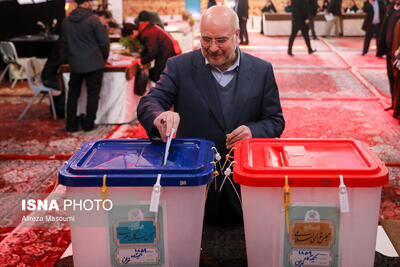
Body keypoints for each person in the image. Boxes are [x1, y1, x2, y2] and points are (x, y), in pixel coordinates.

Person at [137, 5, 285, 224]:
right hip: (195, 182)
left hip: (244, 184)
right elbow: (150, 101)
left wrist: (254, 131)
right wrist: (160, 116)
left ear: (236, 35)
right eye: (206, 39)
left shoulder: (262, 70)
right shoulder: (180, 67)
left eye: (221, 40)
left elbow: (275, 120)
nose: (213, 48)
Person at [60, 0, 110, 132]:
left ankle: (71, 126)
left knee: (72, 95)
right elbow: (104, 42)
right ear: (86, 3)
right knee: (93, 94)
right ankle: (88, 125)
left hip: (75, 64)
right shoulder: (93, 19)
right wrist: (103, 59)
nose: (92, 4)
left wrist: (69, 59)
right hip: (94, 64)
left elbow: (63, 45)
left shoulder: (66, 21)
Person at [132, 10, 176, 83]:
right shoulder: (152, 27)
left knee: (159, 78)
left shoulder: (148, 32)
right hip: (168, 56)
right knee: (159, 76)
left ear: (140, 23)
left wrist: (142, 61)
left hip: (165, 57)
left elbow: (153, 52)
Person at [377, 0, 400, 111]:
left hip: (398, 52)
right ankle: (394, 103)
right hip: (389, 50)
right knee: (391, 77)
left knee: (398, 80)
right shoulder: (390, 9)